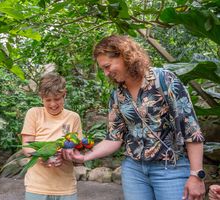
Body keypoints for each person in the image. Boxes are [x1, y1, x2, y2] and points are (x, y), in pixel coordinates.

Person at [62, 35, 206, 200]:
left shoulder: (165, 80)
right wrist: (85, 156)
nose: (106, 73)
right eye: (103, 69)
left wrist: (196, 175)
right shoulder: (117, 95)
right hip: (134, 170)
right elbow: (114, 138)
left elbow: (191, 130)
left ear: (125, 56)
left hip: (170, 168)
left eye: (107, 67)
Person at [21, 72, 82, 200]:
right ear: (41, 97)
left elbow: (78, 150)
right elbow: (27, 147)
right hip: (37, 187)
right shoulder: (34, 114)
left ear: (64, 94)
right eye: (48, 100)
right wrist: (44, 158)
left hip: (66, 188)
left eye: (57, 99)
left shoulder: (73, 118)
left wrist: (68, 155)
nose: (53, 104)